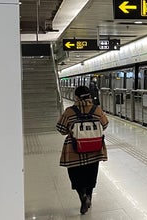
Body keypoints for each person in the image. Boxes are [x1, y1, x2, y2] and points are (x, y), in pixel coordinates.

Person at [56, 85, 109, 214]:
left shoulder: (69, 111)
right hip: (94, 149)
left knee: (76, 176)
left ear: (76, 97)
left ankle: (83, 197)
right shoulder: (97, 110)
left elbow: (61, 129)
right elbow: (105, 124)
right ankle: (89, 197)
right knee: (91, 175)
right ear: (90, 96)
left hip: (74, 150)